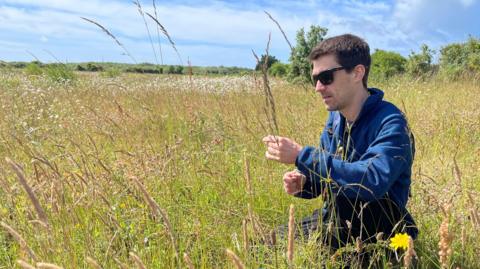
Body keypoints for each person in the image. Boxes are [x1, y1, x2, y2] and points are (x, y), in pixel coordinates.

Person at [262, 34, 418, 252]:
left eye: (326, 77)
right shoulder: (336, 120)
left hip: (381, 228)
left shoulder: (391, 122)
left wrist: (302, 156)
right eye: (314, 79)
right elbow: (330, 177)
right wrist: (305, 182)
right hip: (337, 217)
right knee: (263, 246)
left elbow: (371, 181)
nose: (318, 87)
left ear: (357, 72)